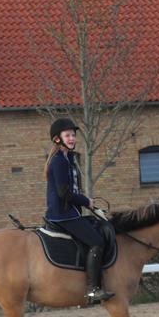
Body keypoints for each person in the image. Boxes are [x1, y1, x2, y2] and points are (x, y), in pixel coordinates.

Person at [45, 117, 113, 304]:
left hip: (71, 212)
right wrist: (86, 201)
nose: (72, 138)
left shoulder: (68, 158)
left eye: (73, 135)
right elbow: (64, 193)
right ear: (57, 139)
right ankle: (92, 289)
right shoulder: (59, 161)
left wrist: (85, 202)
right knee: (97, 242)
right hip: (63, 214)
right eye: (68, 135)